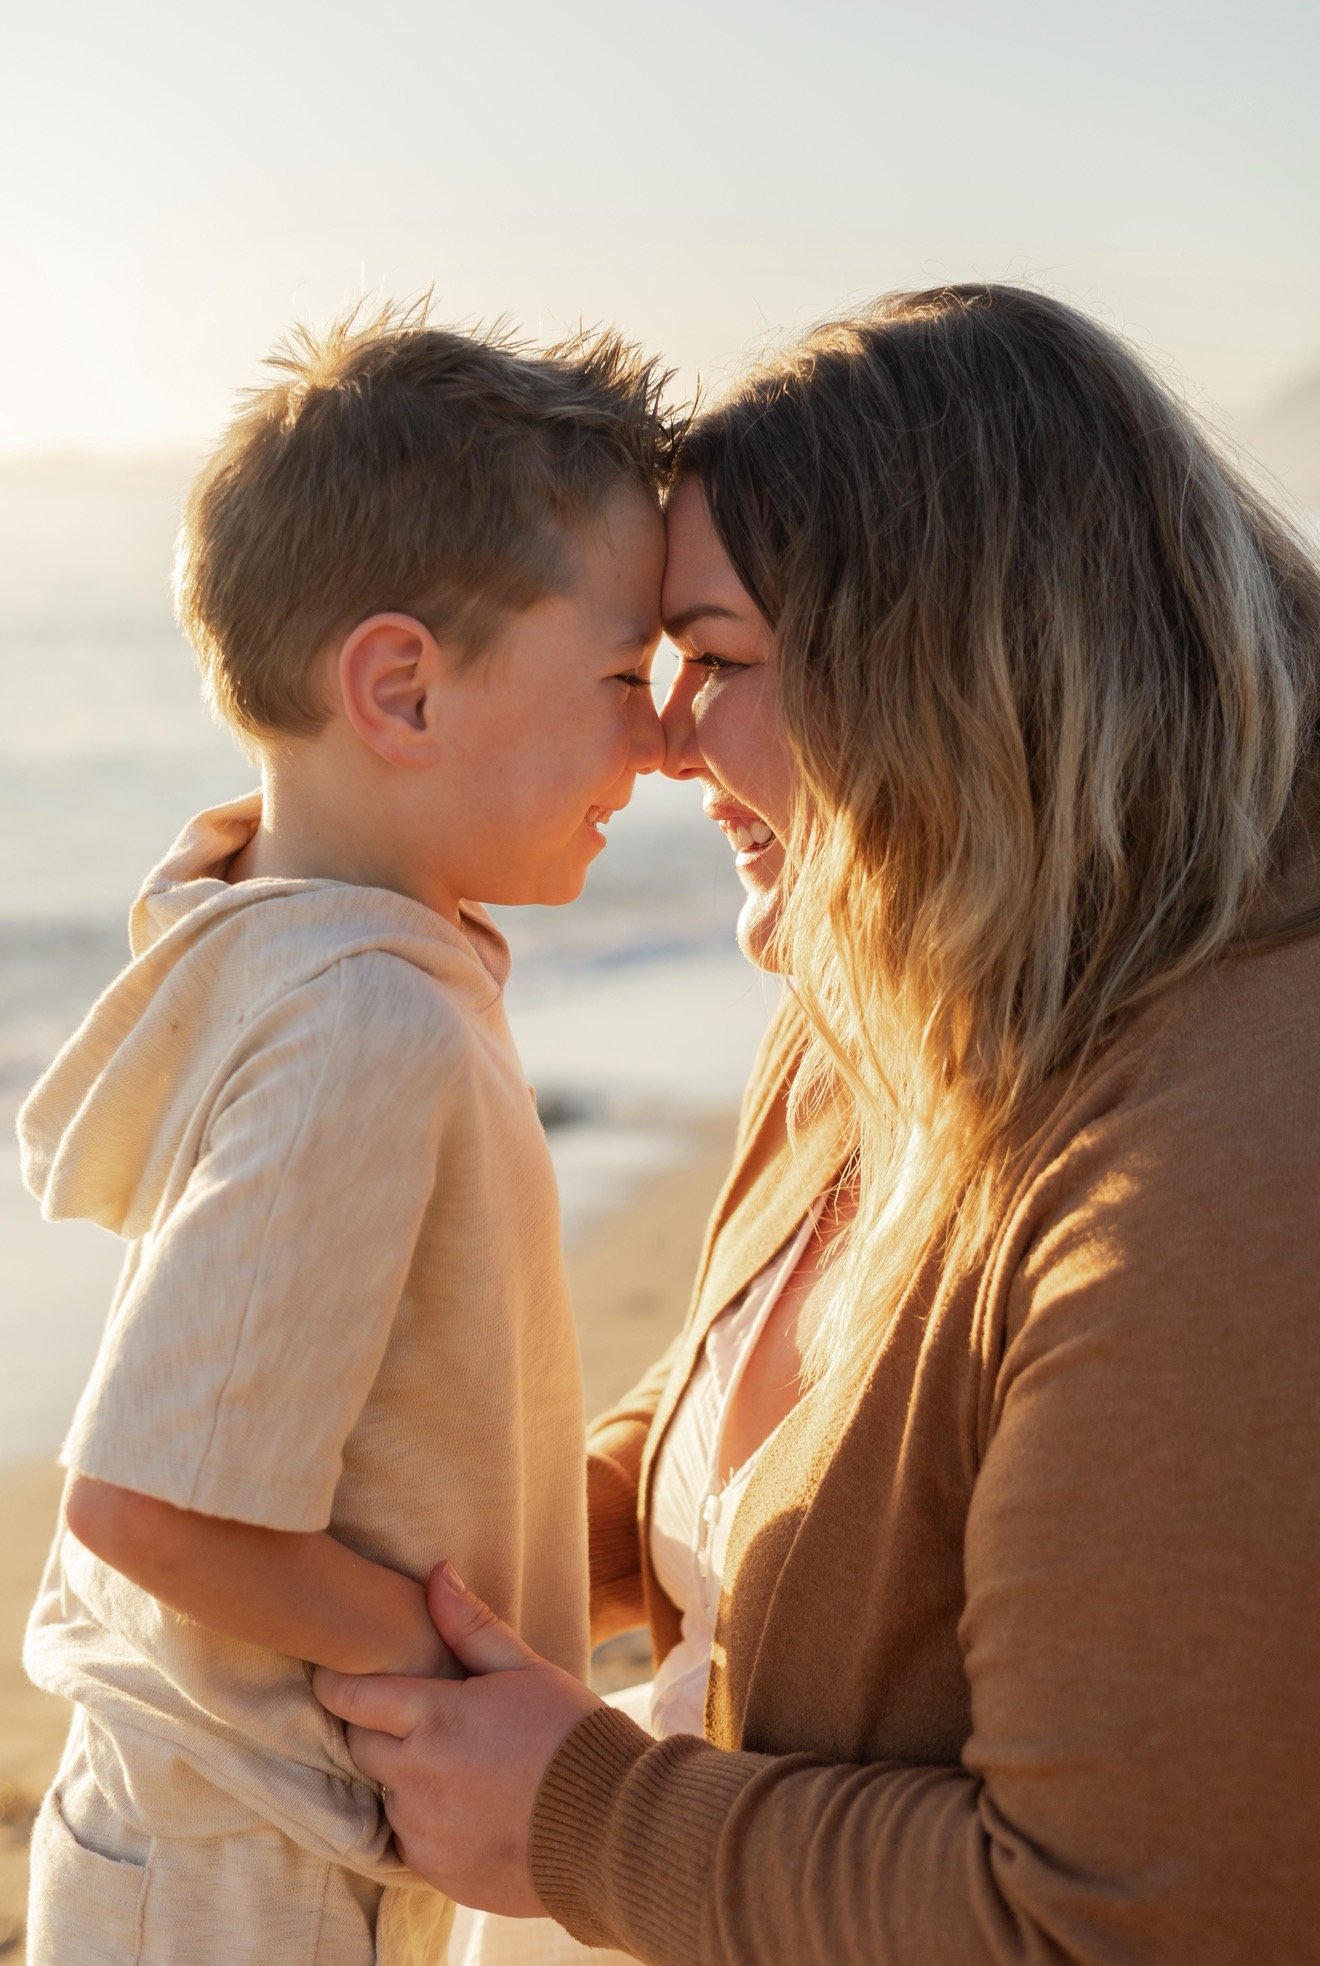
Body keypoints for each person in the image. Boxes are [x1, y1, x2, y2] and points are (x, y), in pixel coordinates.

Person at [317, 284, 1320, 1964]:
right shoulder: (901, 989)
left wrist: (580, 1812)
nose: (655, 744)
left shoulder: (1227, 1171)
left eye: (711, 661)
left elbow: (1132, 1914)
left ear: (941, 663)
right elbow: (742, 1430)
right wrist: (438, 1559)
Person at [19, 304, 672, 1965]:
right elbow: (151, 1507)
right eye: (619, 674)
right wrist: (471, 1666)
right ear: (399, 686)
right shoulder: (364, 1020)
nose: (658, 739)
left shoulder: (284, 935)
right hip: (240, 1873)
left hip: (239, 1838)